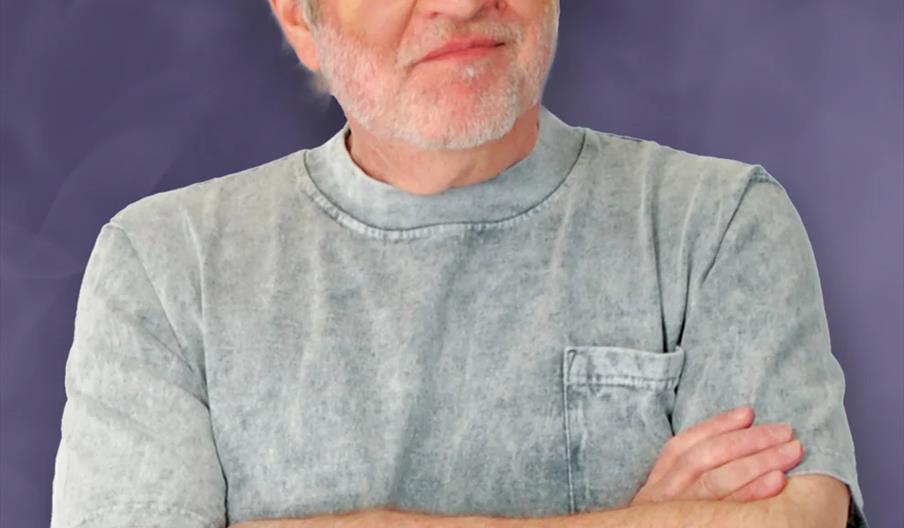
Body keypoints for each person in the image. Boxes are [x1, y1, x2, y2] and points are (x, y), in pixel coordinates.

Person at [50, 1, 868, 527]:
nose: (461, 3)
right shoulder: (166, 265)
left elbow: (799, 515)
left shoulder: (715, 224)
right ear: (301, 21)